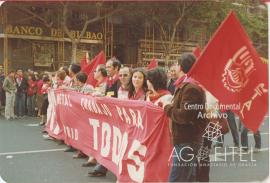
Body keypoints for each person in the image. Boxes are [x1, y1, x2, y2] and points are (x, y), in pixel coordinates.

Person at [162, 53, 208, 182]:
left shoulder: (191, 88)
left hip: (187, 140)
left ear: (181, 66)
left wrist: (167, 107)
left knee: (176, 179)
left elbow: (184, 116)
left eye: (176, 64)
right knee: (188, 178)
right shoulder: (185, 85)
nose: (174, 67)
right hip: (185, 139)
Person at [88, 58, 121, 177]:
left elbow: (118, 98)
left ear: (116, 68)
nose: (106, 69)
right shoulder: (110, 81)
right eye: (106, 67)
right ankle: (102, 166)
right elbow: (108, 95)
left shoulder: (119, 81)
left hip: (118, 117)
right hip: (109, 115)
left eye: (109, 67)